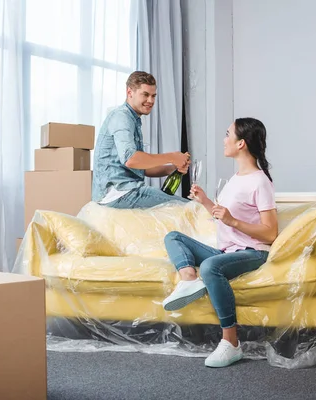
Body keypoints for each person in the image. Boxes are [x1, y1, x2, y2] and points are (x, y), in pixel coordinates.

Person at [162, 117, 278, 368]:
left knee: (211, 266)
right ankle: (188, 280)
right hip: (227, 250)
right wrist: (205, 201)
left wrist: (234, 221)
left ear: (241, 144)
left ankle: (231, 342)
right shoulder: (236, 177)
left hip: (253, 252)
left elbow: (270, 234)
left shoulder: (260, 181)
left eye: (228, 134)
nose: (224, 139)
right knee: (173, 237)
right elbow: (222, 216)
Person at [92, 71, 190, 209]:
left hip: (124, 190)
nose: (151, 101)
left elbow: (141, 168)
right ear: (129, 92)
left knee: (187, 207)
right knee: (191, 209)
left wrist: (173, 167)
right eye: (145, 94)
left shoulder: (133, 119)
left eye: (153, 96)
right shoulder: (122, 117)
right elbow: (131, 159)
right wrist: (172, 157)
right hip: (118, 193)